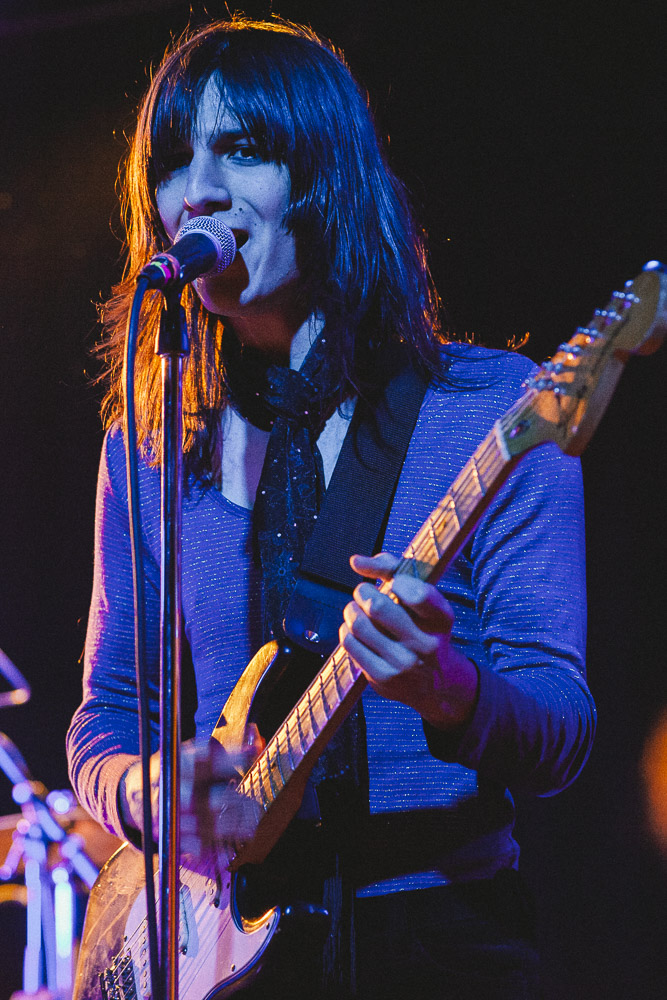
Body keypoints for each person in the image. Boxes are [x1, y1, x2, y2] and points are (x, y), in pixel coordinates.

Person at [66, 16, 595, 999]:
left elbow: (561, 729)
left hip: (439, 943)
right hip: (220, 954)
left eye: (246, 149)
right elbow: (109, 712)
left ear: (325, 173)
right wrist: (146, 790)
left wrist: (446, 688)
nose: (202, 188)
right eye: (175, 158)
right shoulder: (148, 445)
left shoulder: (492, 411)